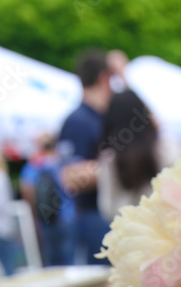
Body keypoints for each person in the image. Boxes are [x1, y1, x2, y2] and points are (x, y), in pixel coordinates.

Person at [58, 48, 115, 264]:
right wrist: (118, 168)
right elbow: (70, 177)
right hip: (95, 216)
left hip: (108, 215)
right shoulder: (78, 121)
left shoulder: (103, 117)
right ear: (104, 78)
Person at [97, 89, 181, 220]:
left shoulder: (110, 158)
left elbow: (107, 207)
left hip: (128, 232)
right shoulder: (167, 147)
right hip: (167, 228)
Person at [31, 138, 77, 266]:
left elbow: (27, 188)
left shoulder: (36, 165)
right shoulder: (64, 163)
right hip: (67, 216)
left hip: (46, 217)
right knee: (69, 259)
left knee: (51, 260)